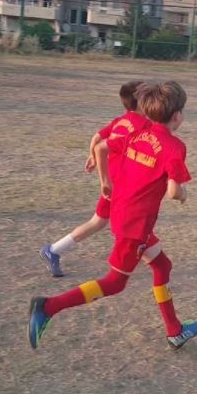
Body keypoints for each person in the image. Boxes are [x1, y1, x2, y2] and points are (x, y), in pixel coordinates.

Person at [28, 81, 197, 350]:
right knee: (115, 283)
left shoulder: (137, 133)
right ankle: (48, 307)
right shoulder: (174, 147)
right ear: (177, 115)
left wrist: (105, 182)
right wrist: (183, 195)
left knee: (162, 266)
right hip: (135, 226)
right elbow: (173, 192)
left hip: (122, 211)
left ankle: (174, 330)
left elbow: (100, 147)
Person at [39, 80, 148, 277]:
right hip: (120, 185)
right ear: (141, 102)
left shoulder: (120, 121)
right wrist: (104, 180)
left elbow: (96, 139)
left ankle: (54, 250)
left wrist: (92, 157)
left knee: (100, 222)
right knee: (126, 220)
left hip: (117, 182)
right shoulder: (141, 126)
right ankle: (54, 250)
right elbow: (100, 145)